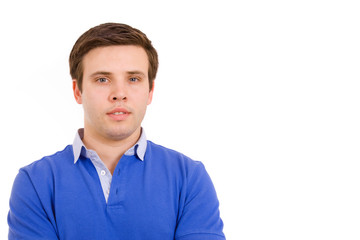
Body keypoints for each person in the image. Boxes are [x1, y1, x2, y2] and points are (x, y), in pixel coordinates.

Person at [8, 23, 225, 240]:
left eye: (133, 79)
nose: (119, 94)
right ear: (78, 91)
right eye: (102, 79)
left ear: (150, 92)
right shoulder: (35, 183)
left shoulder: (189, 178)